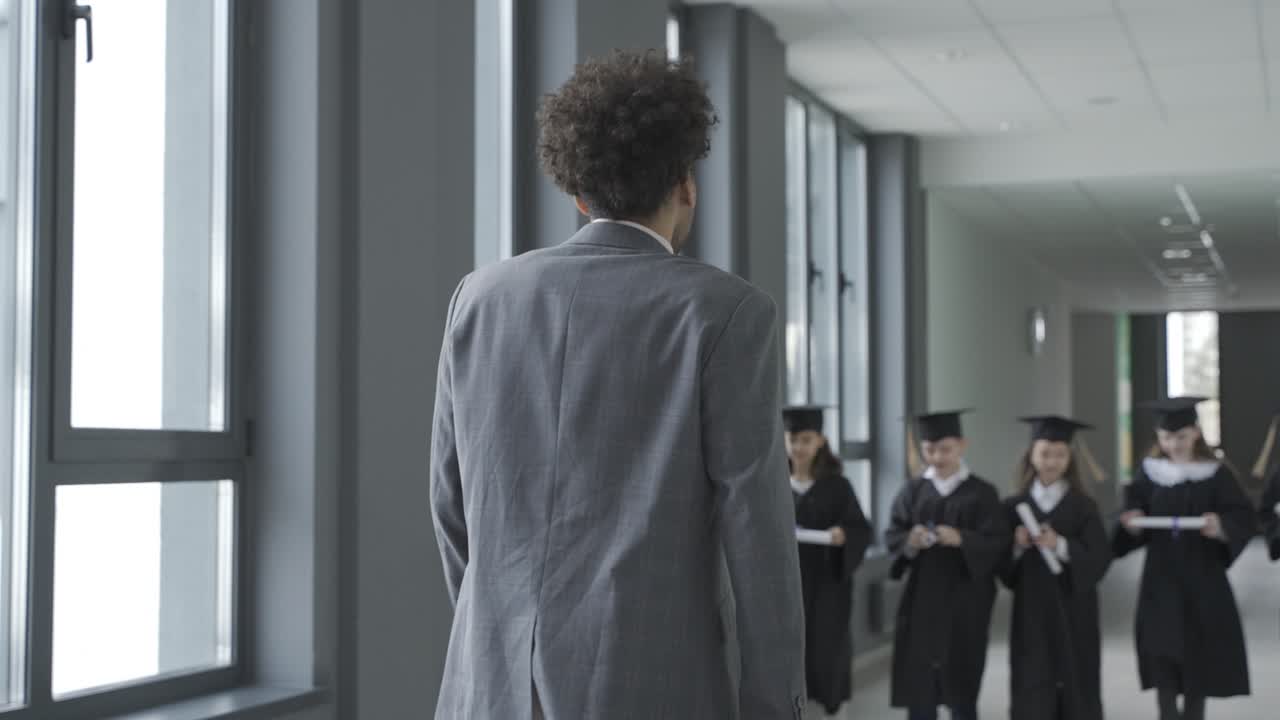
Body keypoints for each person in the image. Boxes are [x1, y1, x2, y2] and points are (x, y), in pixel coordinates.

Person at [428, 51, 806, 719]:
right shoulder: (725, 312)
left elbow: (450, 506)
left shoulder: (479, 298)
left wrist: (499, 631)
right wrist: (775, 706)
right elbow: (760, 540)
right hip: (653, 688)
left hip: (486, 687)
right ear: (685, 183)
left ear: (577, 192)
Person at [1113, 397, 1253, 720]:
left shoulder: (1216, 474)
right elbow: (1131, 513)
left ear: (1195, 434)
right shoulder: (1149, 473)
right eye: (1166, 438)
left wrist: (1220, 527)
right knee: (1161, 649)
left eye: (1180, 437)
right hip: (1160, 577)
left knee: (1197, 653)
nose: (1173, 444)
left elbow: (1242, 516)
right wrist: (1131, 523)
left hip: (1203, 576)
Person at [885, 409, 1009, 720]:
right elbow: (893, 535)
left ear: (962, 446)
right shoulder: (912, 491)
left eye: (945, 449)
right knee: (920, 680)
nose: (937, 457)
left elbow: (999, 542)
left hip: (967, 599)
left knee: (962, 676)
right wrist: (909, 542)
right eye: (929, 449)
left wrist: (962, 539)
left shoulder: (982, 492)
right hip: (922, 598)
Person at [1000, 416, 1111, 720]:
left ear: (1070, 458)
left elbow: (1100, 558)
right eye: (1044, 453)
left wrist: (1060, 545)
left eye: (1060, 454)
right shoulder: (1013, 507)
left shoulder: (1084, 506)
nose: (1051, 461)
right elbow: (1002, 568)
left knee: (1076, 672)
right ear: (1032, 455)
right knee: (1031, 673)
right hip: (1031, 608)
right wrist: (1018, 545)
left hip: (1075, 606)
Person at [785, 406, 872, 719]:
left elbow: (861, 530)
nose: (798, 447)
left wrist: (842, 534)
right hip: (785, 585)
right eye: (793, 439)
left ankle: (833, 710)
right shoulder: (773, 484)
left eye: (806, 439)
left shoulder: (838, 486)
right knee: (788, 650)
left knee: (828, 651)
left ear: (820, 441)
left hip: (827, 585)